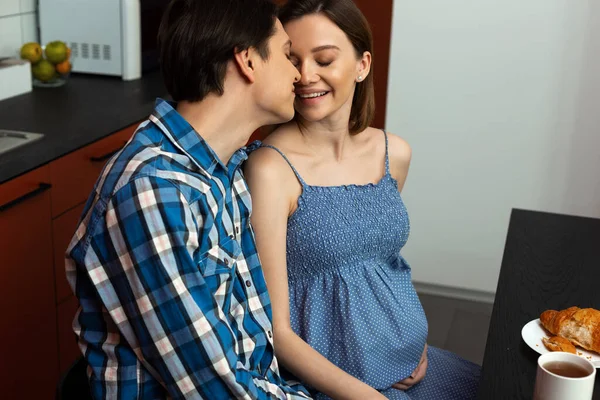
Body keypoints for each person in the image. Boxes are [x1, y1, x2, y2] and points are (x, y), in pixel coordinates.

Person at [65, 0, 312, 398]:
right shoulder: (152, 191)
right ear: (248, 60)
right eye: (287, 55)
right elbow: (216, 390)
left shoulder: (225, 168)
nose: (299, 74)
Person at [244, 0, 481, 399]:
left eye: (324, 59)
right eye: (292, 59)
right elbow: (277, 332)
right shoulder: (270, 170)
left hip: (412, 363)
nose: (305, 76)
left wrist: (414, 341)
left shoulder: (394, 153)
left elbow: (381, 264)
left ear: (362, 65)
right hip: (340, 388)